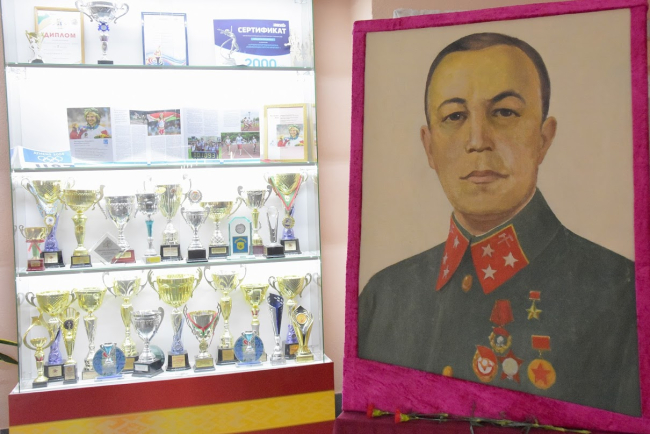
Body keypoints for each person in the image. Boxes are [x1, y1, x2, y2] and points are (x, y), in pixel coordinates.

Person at [358, 33, 640, 416]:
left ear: (543, 138)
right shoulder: (384, 297)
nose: (478, 140)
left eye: (504, 112)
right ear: (429, 146)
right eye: (455, 117)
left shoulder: (621, 295)